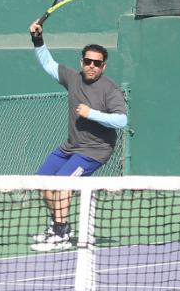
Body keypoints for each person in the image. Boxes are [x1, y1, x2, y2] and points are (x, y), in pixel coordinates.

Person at [27, 19, 128, 251]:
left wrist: (91, 113)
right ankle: (58, 226)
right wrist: (37, 39)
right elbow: (48, 64)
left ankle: (60, 235)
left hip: (95, 150)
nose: (92, 66)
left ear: (104, 67)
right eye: (88, 61)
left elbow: (122, 120)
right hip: (71, 147)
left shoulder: (109, 90)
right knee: (41, 181)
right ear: (81, 62)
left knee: (63, 184)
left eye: (97, 63)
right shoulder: (73, 78)